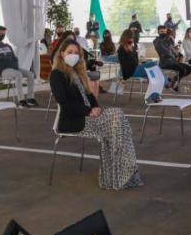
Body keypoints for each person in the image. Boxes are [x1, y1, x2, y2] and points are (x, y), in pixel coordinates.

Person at [49, 40, 142, 190]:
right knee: (116, 121)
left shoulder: (78, 72)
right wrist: (88, 111)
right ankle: (122, 172)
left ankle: (120, 173)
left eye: (76, 53)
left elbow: (90, 97)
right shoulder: (57, 75)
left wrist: (96, 108)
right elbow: (64, 102)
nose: (73, 55)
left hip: (88, 116)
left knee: (118, 117)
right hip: (72, 120)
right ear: (61, 54)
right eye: (69, 52)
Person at [0, 26, 38, 108]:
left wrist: (13, 64)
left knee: (30, 74)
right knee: (18, 74)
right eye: (1, 33)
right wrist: (8, 63)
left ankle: (30, 98)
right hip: (3, 70)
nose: (2, 35)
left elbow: (14, 58)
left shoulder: (8, 46)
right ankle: (21, 100)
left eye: (4, 33)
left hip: (14, 68)